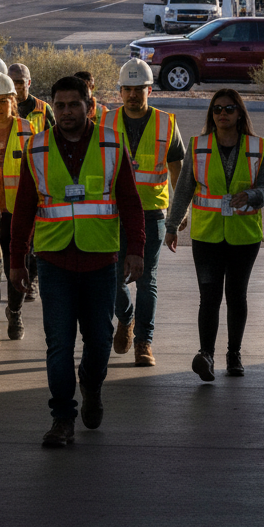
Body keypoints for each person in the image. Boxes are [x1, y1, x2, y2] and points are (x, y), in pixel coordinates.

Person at [10, 74, 145, 448]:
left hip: (101, 259)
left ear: (90, 105)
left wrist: (136, 248)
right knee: (58, 344)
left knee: (100, 340)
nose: (67, 112)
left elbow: (131, 202)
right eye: (60, 105)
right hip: (53, 261)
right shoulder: (36, 148)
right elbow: (23, 208)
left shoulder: (111, 143)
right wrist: (17, 259)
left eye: (74, 104)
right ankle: (62, 418)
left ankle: (91, 385)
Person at [165, 88, 264, 382]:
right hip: (207, 236)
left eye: (228, 109)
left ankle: (234, 354)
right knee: (209, 296)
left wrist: (252, 195)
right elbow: (184, 188)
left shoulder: (257, 146)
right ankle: (206, 355)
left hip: (244, 236)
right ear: (211, 115)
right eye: (217, 109)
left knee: (236, 295)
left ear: (240, 113)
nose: (222, 114)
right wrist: (172, 225)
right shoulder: (198, 145)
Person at [111, 60, 185, 366]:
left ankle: (144, 342)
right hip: (112, 213)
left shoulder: (166, 123)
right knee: (113, 279)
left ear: (148, 90)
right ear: (120, 91)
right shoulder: (105, 121)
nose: (132, 95)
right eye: (127, 89)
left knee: (147, 280)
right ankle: (126, 318)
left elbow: (179, 170)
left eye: (138, 89)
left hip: (153, 212)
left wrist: (180, 214)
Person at [0, 71, 35, 341]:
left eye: (3, 100)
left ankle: (14, 311)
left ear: (14, 101)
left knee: (17, 265)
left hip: (19, 212)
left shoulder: (29, 131)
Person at [7, 61, 52, 300]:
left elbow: (55, 140)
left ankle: (31, 279)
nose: (16, 87)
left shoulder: (43, 110)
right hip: (9, 183)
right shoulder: (3, 106)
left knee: (34, 238)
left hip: (38, 178)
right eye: (12, 82)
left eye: (20, 82)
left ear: (29, 83)